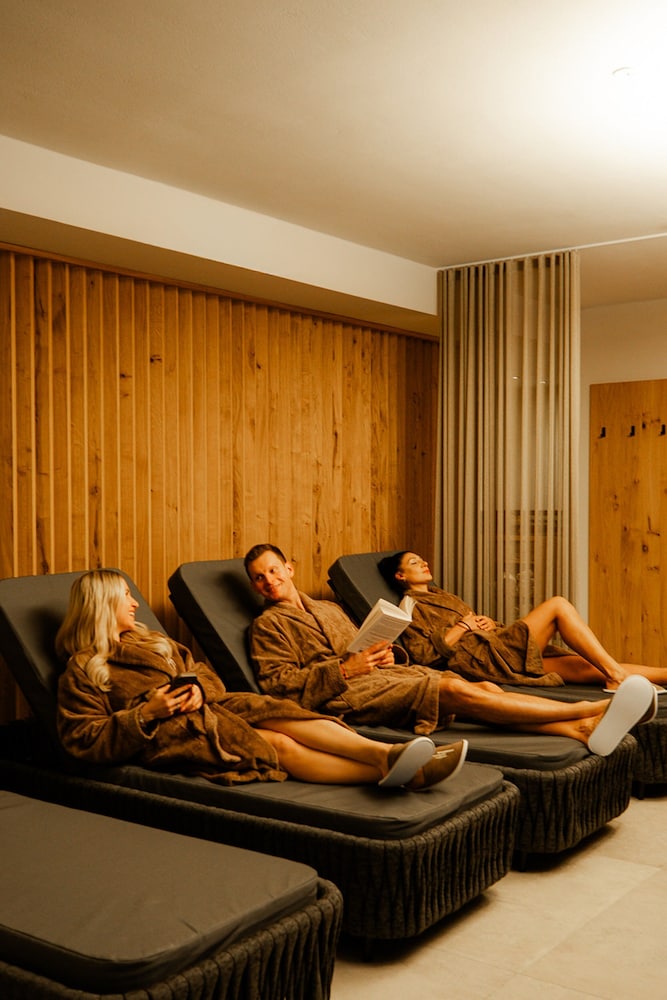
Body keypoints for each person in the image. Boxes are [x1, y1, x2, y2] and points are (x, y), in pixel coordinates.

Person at [55, 569, 467, 792]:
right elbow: (81, 738)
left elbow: (204, 673)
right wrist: (146, 714)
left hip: (211, 707)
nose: (133, 603)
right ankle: (398, 771)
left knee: (285, 714)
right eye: (125, 596)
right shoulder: (84, 668)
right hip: (170, 735)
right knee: (275, 744)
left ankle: (388, 754)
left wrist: (198, 688)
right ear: (102, 604)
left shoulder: (153, 641)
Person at [244, 543, 657, 756]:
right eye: (259, 578)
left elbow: (366, 646)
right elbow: (278, 687)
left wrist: (388, 654)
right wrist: (345, 670)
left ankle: (578, 730)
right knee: (454, 689)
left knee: (486, 691)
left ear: (289, 569)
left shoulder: (329, 608)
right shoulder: (267, 626)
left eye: (273, 570)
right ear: (255, 586)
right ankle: (592, 709)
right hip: (347, 693)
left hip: (385, 674)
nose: (269, 581)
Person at [378, 551, 667, 691]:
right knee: (558, 605)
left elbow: (472, 624)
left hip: (494, 647)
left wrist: (488, 623)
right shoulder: (409, 607)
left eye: (423, 560)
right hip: (485, 660)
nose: (424, 563)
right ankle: (617, 676)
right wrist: (463, 627)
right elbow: (424, 656)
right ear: (400, 576)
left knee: (585, 666)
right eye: (414, 563)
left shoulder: (442, 595)